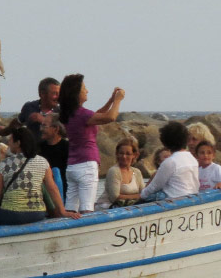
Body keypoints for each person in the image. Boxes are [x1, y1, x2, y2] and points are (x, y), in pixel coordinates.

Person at [58, 74, 125, 213]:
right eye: (84, 88)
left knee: (71, 209)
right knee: (87, 209)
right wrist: (118, 100)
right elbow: (110, 117)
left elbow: (98, 115)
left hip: (72, 167)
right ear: (76, 93)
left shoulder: (69, 114)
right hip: (86, 166)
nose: (87, 91)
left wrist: (111, 100)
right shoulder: (82, 114)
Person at [0, 127, 78, 225]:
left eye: (11, 140)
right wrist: (63, 211)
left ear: (18, 143)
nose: (8, 143)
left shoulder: (5, 163)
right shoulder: (43, 162)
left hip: (11, 213)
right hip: (36, 213)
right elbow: (53, 189)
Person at [140, 122, 199, 201]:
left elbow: (155, 186)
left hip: (173, 198)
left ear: (165, 142)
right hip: (191, 196)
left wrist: (142, 195)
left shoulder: (171, 162)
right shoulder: (192, 159)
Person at [0, 77, 60, 142]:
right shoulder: (29, 107)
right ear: (42, 94)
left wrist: (43, 120)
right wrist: (3, 131)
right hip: (33, 151)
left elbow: (67, 132)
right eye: (55, 94)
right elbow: (16, 123)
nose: (58, 97)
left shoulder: (61, 111)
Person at [100, 137, 144, 208]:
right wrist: (137, 196)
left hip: (129, 208)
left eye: (128, 154)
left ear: (134, 155)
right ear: (117, 154)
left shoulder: (137, 172)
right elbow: (114, 197)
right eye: (121, 153)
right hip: (109, 208)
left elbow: (144, 193)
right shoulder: (114, 171)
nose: (124, 156)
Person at [38, 115, 69, 198]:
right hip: (44, 194)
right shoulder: (39, 148)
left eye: (44, 126)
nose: (41, 129)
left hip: (65, 193)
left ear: (56, 129)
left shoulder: (68, 147)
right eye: (41, 125)